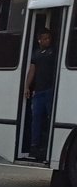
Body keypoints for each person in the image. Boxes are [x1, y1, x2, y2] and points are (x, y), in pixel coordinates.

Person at [24, 28, 56, 161]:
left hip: (49, 90)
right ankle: (34, 146)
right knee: (36, 119)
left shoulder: (54, 52)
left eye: (48, 38)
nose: (47, 41)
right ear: (39, 40)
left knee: (49, 119)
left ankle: (46, 145)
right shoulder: (36, 54)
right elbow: (32, 70)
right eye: (44, 38)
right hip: (38, 91)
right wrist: (27, 87)